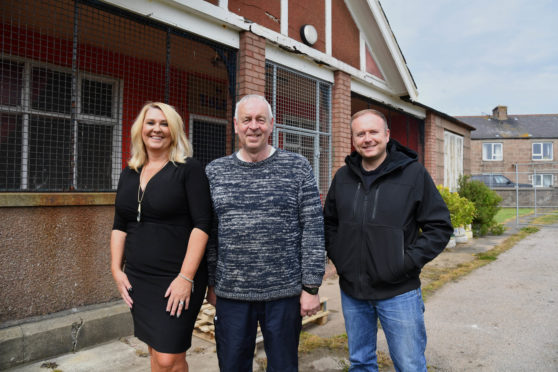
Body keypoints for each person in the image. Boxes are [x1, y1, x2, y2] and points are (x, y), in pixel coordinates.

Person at [323, 109, 453, 372]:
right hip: (353, 291)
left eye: (373, 132)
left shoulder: (413, 174)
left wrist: (405, 263)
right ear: (353, 139)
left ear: (387, 135)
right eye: (360, 133)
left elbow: (439, 226)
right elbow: (329, 223)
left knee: (410, 364)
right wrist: (341, 258)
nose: (367, 138)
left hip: (399, 292)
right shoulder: (343, 177)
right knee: (360, 363)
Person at [205, 94, 325, 372]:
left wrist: (311, 287)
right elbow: (209, 234)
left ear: (272, 125)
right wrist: (211, 283)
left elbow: (313, 228)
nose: (253, 126)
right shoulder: (215, 172)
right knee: (232, 365)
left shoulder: (297, 167)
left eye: (261, 119)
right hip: (232, 294)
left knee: (283, 366)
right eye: (247, 119)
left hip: (284, 293)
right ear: (236, 125)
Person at [110, 102, 212, 372]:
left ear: (174, 130)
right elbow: (120, 223)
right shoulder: (129, 173)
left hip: (176, 277)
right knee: (155, 349)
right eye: (151, 122)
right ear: (140, 129)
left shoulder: (189, 169)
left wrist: (186, 277)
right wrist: (115, 269)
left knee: (169, 357)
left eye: (164, 123)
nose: (157, 129)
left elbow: (202, 225)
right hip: (139, 278)